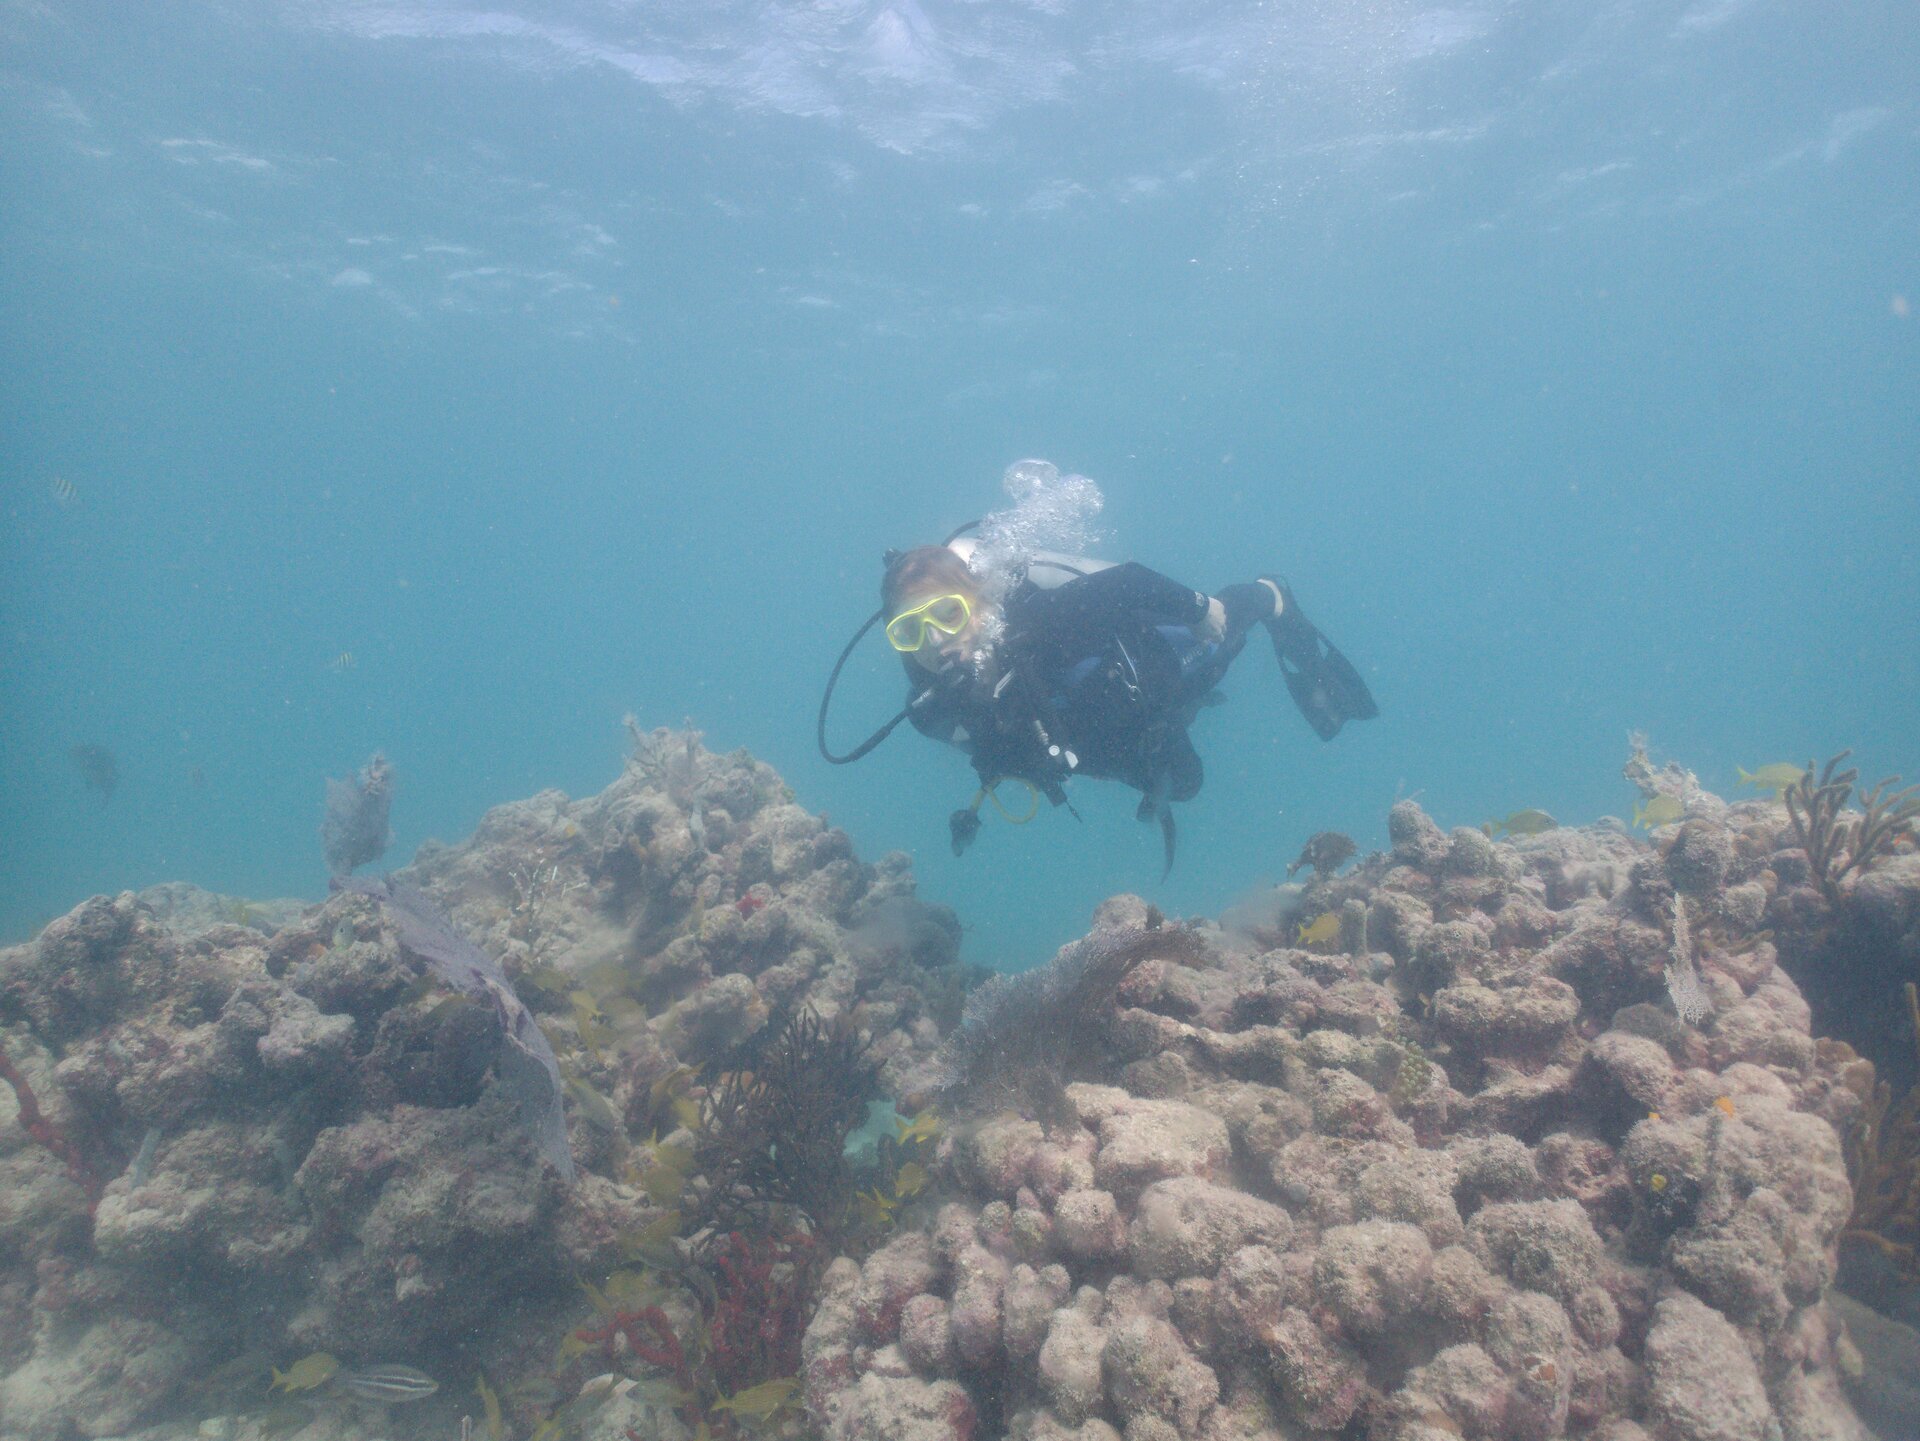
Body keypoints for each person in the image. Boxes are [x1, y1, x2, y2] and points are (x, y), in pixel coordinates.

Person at [821, 535, 1376, 874]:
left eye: (947, 615)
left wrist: (1197, 607)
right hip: (1099, 741)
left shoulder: (1039, 619)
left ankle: (1265, 593)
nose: (936, 643)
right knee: (1187, 784)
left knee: (1222, 635)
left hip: (1154, 670)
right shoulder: (928, 712)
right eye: (909, 631)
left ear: (979, 601)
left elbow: (1126, 583)